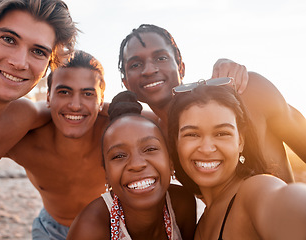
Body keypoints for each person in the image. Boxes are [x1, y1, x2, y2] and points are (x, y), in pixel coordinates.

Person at [118, 24, 306, 183]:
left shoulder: (247, 92)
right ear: (126, 82)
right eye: (135, 64)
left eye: (161, 58)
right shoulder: (155, 136)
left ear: (181, 67)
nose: (149, 70)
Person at [0, 0, 77, 207]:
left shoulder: (23, 116)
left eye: (39, 52)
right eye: (8, 39)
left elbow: (64, 108)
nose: (20, 62)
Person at [167, 82, 306, 239]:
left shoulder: (255, 191)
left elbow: (293, 205)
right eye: (192, 134)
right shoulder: (199, 224)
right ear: (176, 142)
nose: (207, 149)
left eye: (221, 133)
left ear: (240, 141)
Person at [6, 50, 109, 239]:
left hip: (106, 228)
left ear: (101, 100)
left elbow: (166, 124)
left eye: (88, 93)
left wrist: (116, 109)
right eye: (64, 92)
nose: (75, 105)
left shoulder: (114, 135)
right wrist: (31, 112)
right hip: (51, 230)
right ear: (48, 97)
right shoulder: (25, 142)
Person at [66, 91, 197, 240]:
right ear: (107, 175)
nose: (137, 164)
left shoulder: (182, 204)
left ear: (170, 162)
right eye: (119, 156)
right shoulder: (90, 229)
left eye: (150, 149)